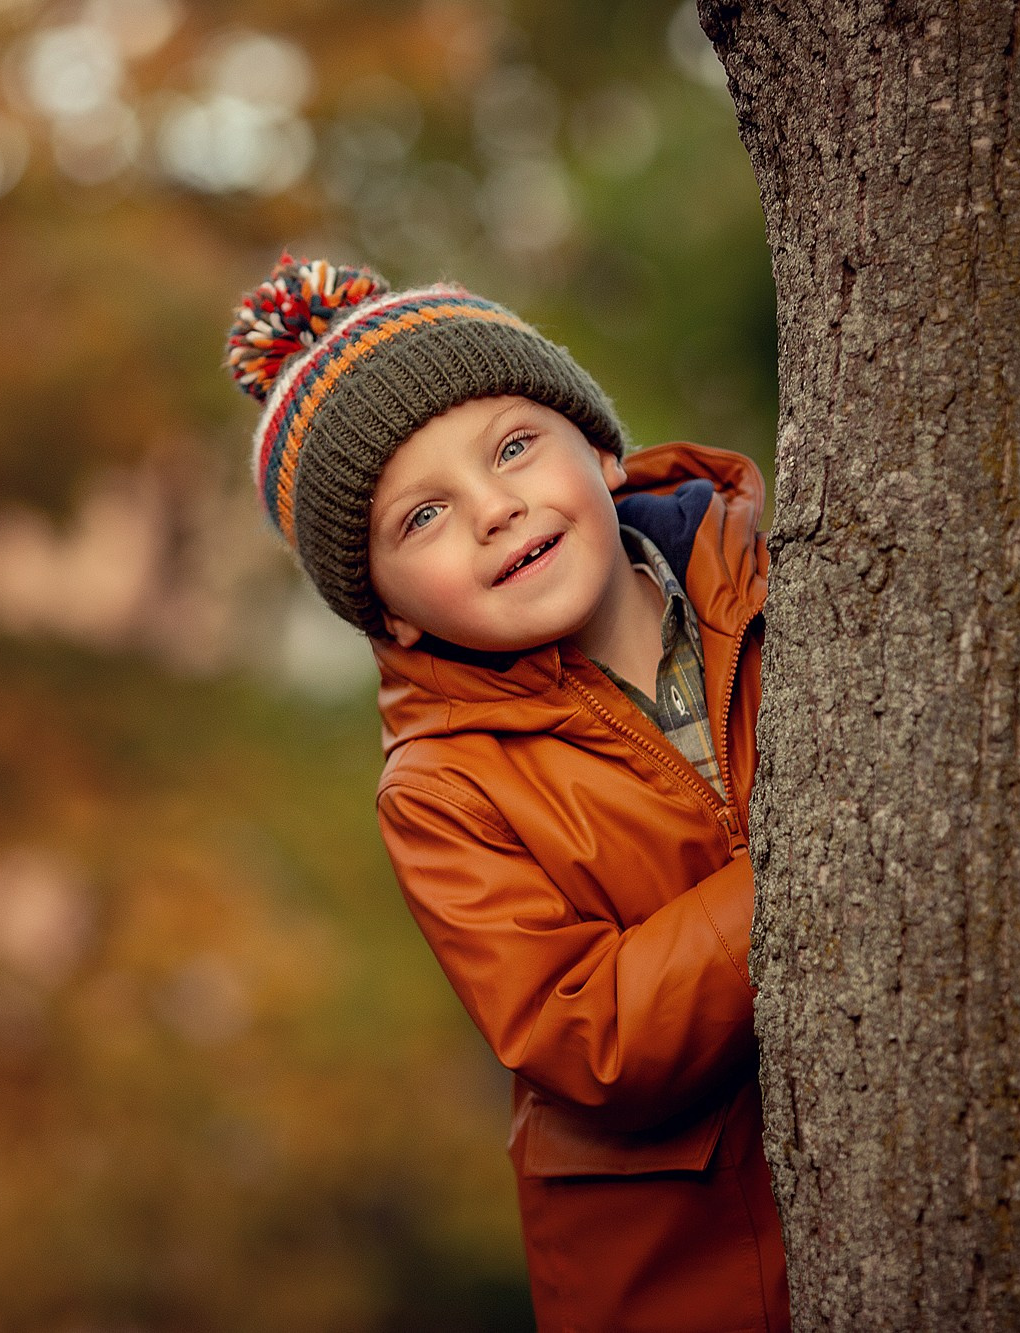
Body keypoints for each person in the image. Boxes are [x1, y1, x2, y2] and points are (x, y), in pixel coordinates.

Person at [229, 254, 788, 1332]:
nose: (493, 509)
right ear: (386, 613)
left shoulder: (778, 579)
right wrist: (800, 879)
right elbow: (584, 1031)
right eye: (420, 518)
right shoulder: (442, 787)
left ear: (603, 450)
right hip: (698, 1272)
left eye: (514, 447)